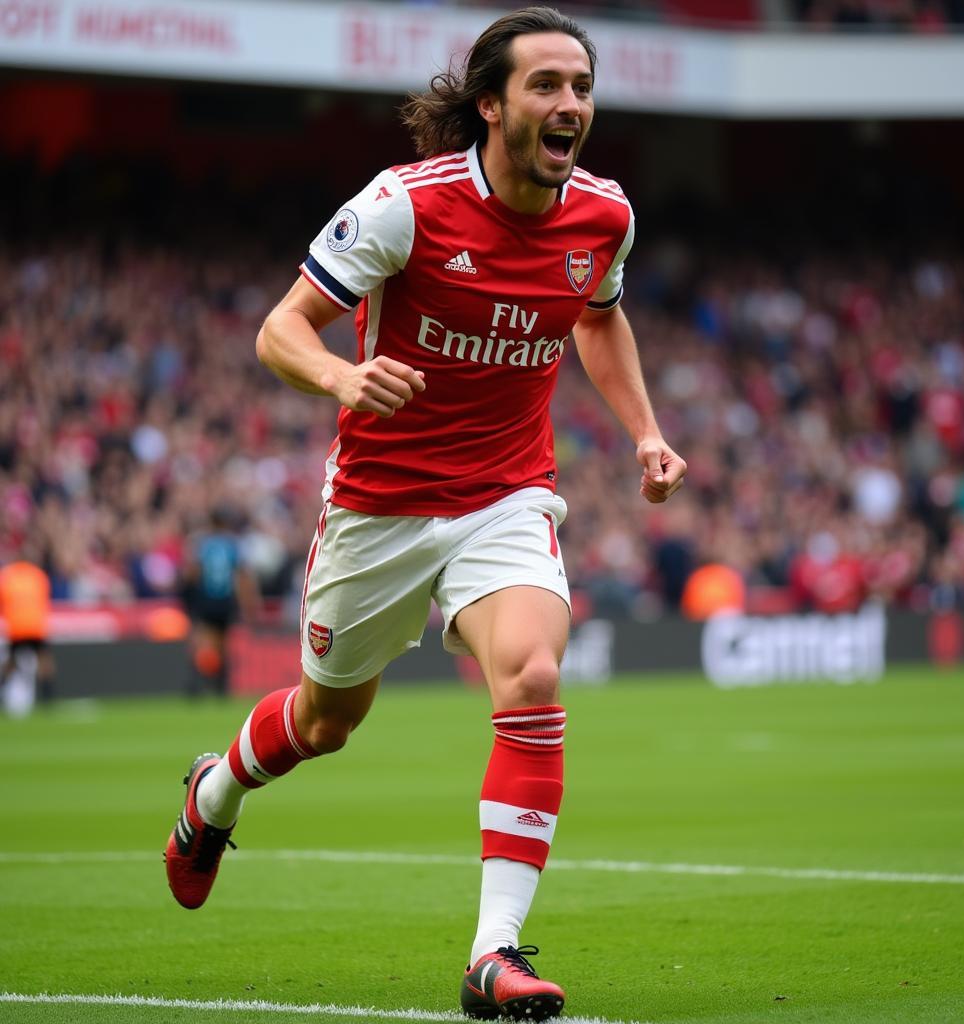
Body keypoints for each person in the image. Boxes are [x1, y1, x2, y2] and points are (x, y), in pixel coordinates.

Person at [164, 7, 686, 1020]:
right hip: (379, 506)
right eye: (545, 85)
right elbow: (281, 328)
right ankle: (212, 794)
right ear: (491, 104)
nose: (569, 103)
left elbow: (600, 314)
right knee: (325, 722)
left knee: (532, 668)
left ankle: (494, 954)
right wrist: (340, 376)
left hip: (506, 494)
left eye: (580, 85)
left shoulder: (602, 215)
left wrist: (643, 432)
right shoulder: (407, 204)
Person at [179, 506, 258, 698]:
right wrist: (249, 604)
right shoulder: (233, 545)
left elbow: (192, 573)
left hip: (206, 600)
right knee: (223, 645)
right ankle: (220, 685)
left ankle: (196, 683)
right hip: (225, 600)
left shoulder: (202, 544)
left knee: (202, 642)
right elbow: (241, 576)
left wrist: (187, 596)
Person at [0, 551, 55, 717]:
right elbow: (45, 600)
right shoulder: (38, 576)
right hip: (35, 626)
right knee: (44, 661)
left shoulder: (7, 577)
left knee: (11, 663)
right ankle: (48, 697)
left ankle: (2, 690)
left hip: (17, 627)